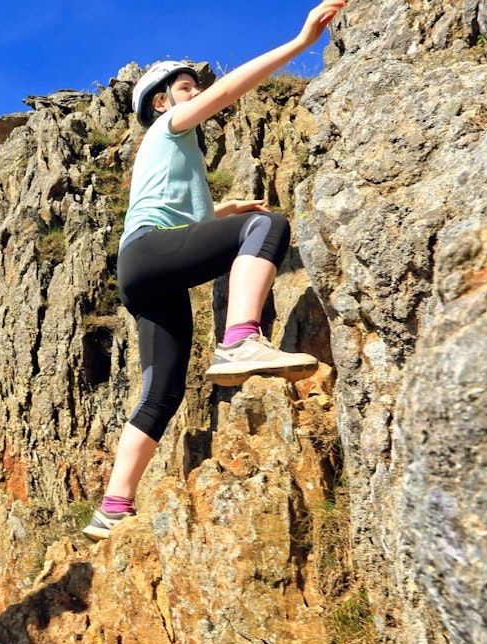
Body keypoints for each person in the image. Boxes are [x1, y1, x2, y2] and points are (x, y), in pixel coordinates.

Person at [84, 0, 347, 541]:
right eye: (185, 88)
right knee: (269, 228)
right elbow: (229, 92)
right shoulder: (169, 127)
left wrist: (220, 212)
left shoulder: (168, 158)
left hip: (145, 269)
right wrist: (300, 44)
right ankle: (240, 340)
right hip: (153, 251)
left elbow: (178, 215)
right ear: (161, 102)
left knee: (163, 391)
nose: (195, 93)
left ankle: (112, 507)